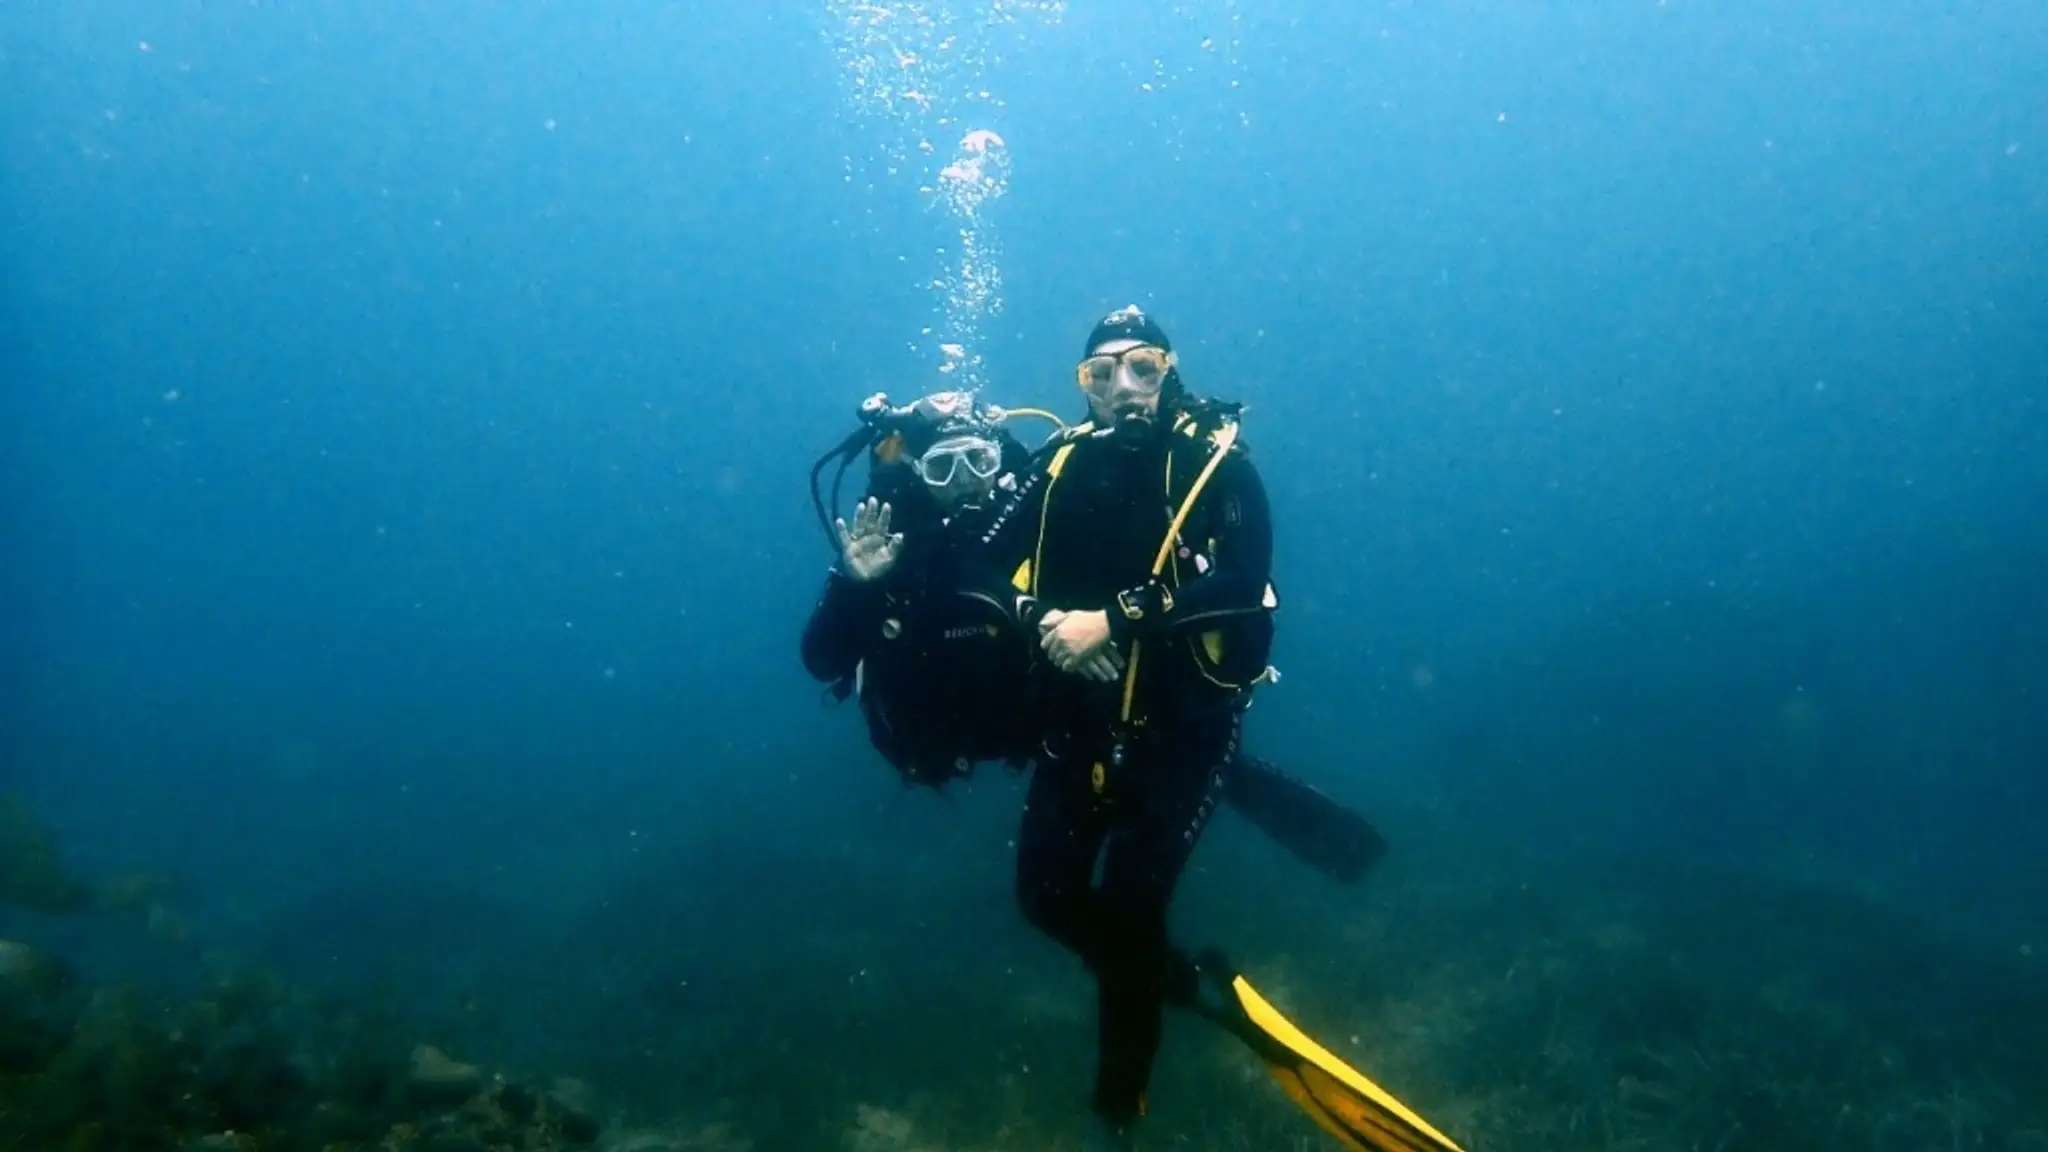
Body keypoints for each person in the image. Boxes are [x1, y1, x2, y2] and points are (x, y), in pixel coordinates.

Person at [970, 307, 1467, 1151]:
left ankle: (1115, 1116)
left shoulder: (1214, 461)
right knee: (1042, 897)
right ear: (1082, 388)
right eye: (1101, 375)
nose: (1124, 390)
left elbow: (1246, 576)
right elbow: (976, 564)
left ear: (1171, 371)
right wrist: (1045, 616)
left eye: (1144, 368)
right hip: (1083, 728)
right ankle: (1191, 984)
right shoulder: (1058, 464)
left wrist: (1116, 622)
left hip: (1187, 730)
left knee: (1130, 905)